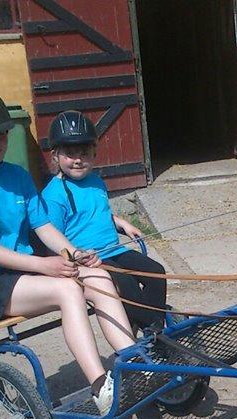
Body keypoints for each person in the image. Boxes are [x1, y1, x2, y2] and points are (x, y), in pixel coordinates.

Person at [0, 86, 139, 415]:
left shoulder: (16, 175)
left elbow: (44, 228)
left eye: (1, 134)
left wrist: (72, 254)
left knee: (98, 276)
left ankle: (134, 362)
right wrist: (45, 266)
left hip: (25, 274)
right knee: (67, 289)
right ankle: (100, 386)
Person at [41, 110, 168, 334]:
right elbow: (51, 237)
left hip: (113, 249)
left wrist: (121, 223)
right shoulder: (54, 195)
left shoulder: (96, 181)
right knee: (126, 285)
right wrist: (77, 255)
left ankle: (148, 330)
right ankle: (157, 332)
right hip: (90, 260)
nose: (78, 160)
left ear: (94, 153)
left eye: (85, 153)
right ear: (55, 156)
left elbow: (96, 211)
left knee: (156, 272)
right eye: (70, 154)